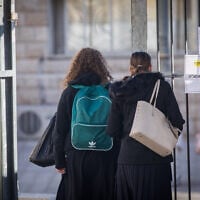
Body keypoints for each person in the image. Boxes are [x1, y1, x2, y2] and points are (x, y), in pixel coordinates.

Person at [106, 51, 185, 200]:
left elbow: (112, 130)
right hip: (156, 162)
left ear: (131, 69)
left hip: (127, 161)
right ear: (150, 67)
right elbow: (177, 121)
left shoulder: (120, 91)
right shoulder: (162, 86)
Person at [52, 47, 119, 200]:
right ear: (102, 66)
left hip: (76, 156)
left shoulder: (69, 92)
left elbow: (59, 130)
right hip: (106, 155)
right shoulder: (110, 90)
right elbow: (118, 126)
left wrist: (59, 161)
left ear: (76, 66)